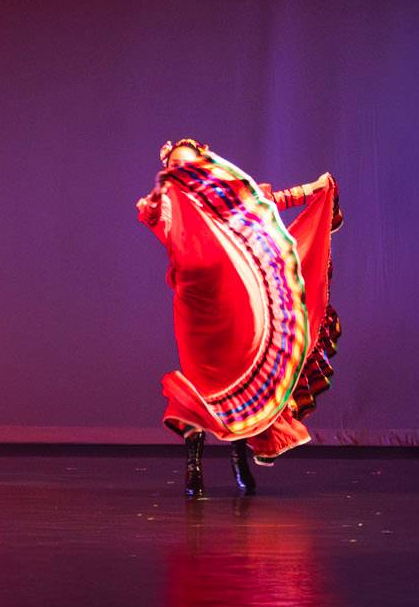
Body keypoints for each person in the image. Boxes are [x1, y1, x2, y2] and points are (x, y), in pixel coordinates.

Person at [138, 139, 342, 498]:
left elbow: (265, 204)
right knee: (201, 386)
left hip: (231, 300)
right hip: (195, 308)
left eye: (188, 164)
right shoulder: (170, 203)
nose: (182, 169)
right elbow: (159, 219)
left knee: (239, 374)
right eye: (175, 165)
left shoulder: (225, 205)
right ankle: (194, 465)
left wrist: (312, 190)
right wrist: (160, 194)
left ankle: (238, 456)